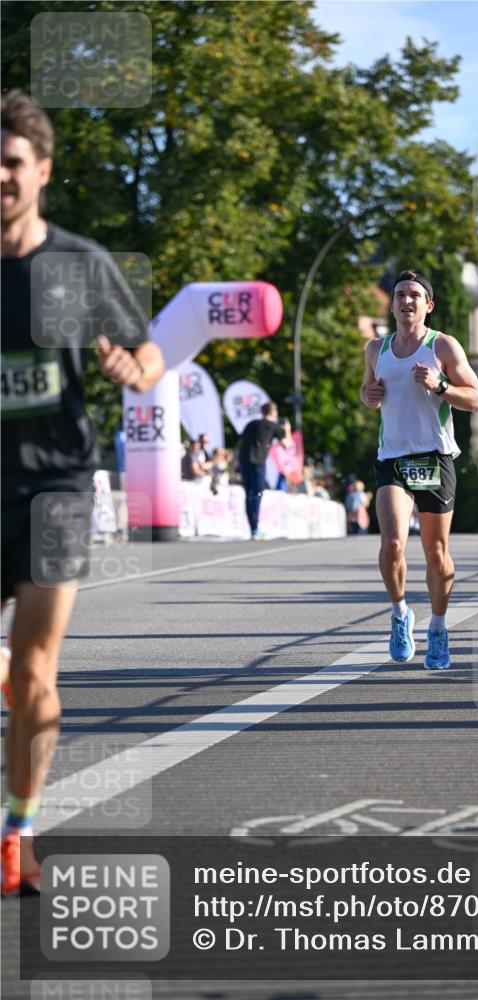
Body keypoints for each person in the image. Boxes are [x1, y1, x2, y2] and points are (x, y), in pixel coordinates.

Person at [1, 90, 164, 895]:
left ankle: (18, 831)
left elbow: (150, 350)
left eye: (12, 163)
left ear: (42, 172)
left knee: (34, 671)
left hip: (54, 487)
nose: (0, 175)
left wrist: (135, 369)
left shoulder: (76, 263)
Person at [360, 269, 478, 669]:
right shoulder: (375, 348)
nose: (406, 300)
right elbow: (369, 393)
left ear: (428, 305)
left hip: (433, 457)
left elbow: (475, 398)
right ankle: (399, 615)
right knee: (393, 543)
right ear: (392, 303)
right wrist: (369, 394)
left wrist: (441, 386)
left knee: (436, 553)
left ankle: (439, 629)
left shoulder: (442, 345)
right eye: (400, 295)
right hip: (392, 457)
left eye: (414, 295)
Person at [238, 401, 290, 539]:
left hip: (244, 461)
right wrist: (288, 429)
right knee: (257, 494)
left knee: (248, 495)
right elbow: (286, 444)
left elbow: (242, 440)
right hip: (258, 463)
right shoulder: (273, 426)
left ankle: (253, 528)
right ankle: (255, 529)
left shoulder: (251, 424)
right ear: (273, 412)